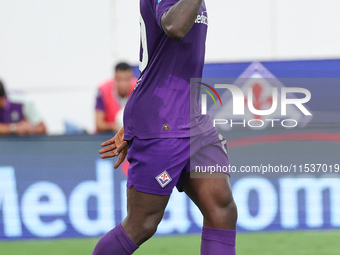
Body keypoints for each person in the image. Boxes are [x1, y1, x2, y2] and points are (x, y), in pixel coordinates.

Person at [93, 1, 237, 255]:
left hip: (192, 119)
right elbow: (174, 26)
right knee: (142, 224)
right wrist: (142, 117)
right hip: (161, 122)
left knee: (222, 210)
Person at [95, 62, 137, 133]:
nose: (123, 84)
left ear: (131, 78)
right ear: (115, 78)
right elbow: (99, 124)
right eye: (119, 79)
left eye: (127, 79)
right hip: (108, 136)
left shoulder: (138, 89)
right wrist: (115, 127)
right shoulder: (103, 91)